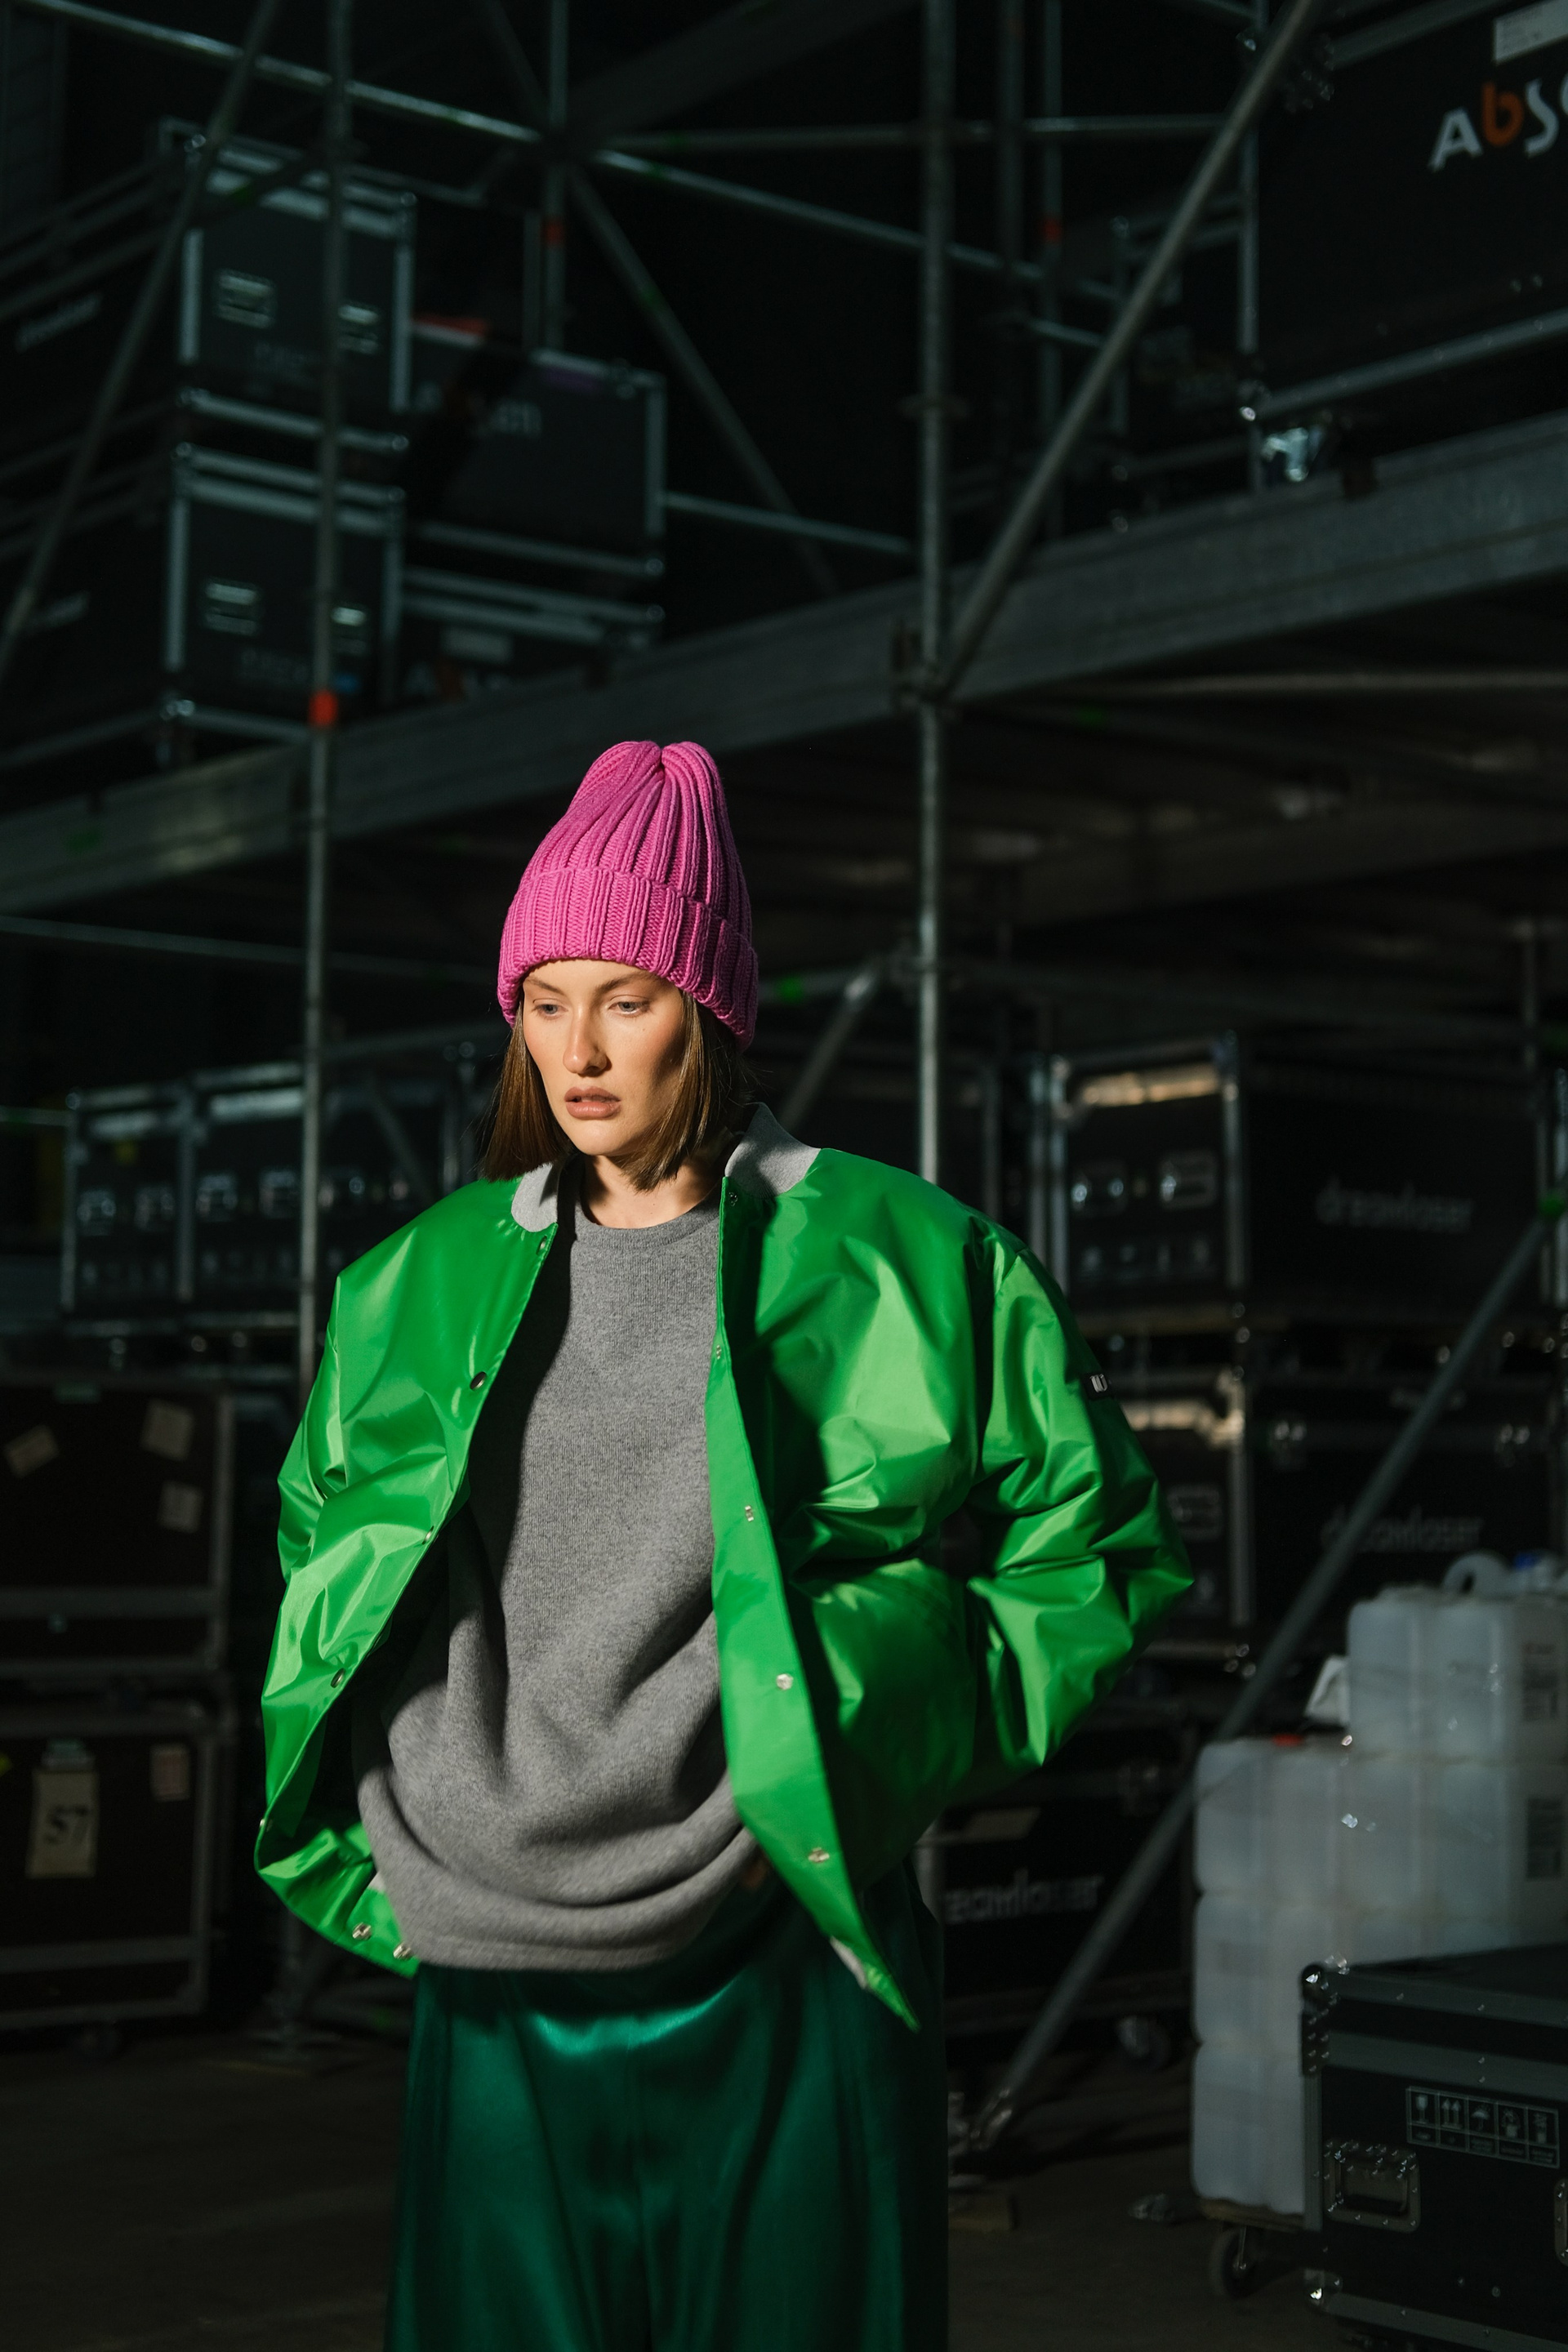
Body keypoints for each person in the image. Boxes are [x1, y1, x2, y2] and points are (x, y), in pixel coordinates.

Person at [256, 737, 1190, 2352]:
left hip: (775, 1933)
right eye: (545, 1002)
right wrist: (411, 1773)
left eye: (625, 999)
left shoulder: (902, 1258)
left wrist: (858, 1729)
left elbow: (1091, 1546)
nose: (578, 1051)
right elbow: (320, 1538)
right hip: (492, 1941)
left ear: (712, 1006)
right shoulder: (416, 1282)